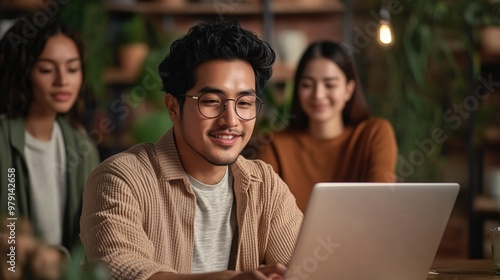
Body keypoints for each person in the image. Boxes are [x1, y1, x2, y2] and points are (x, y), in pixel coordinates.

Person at [79, 19, 303, 280]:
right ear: (174, 108)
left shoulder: (265, 185)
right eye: (211, 101)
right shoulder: (120, 179)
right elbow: (119, 270)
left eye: (244, 102)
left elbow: (308, 267)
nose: (230, 120)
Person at [257, 41, 398, 212]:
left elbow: (379, 203)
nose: (318, 95)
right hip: (292, 239)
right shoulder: (276, 145)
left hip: (363, 236)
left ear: (349, 89)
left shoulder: (374, 133)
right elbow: (264, 212)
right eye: (307, 85)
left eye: (330, 85)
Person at [0, 18, 100, 253]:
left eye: (73, 69)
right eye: (46, 69)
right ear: (23, 72)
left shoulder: (82, 146)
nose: (62, 81)